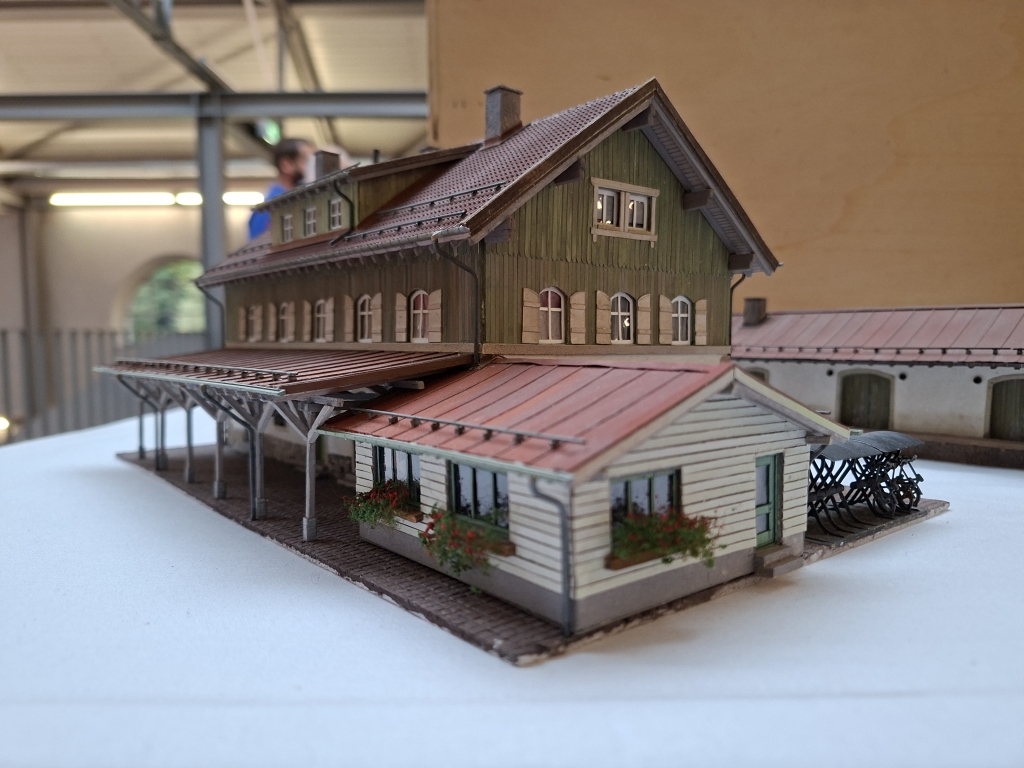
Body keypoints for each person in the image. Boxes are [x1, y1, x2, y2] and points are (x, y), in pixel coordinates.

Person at [248, 137, 313, 240]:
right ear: (285, 165)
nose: (311, 168)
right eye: (306, 161)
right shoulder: (268, 211)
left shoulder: (302, 202)